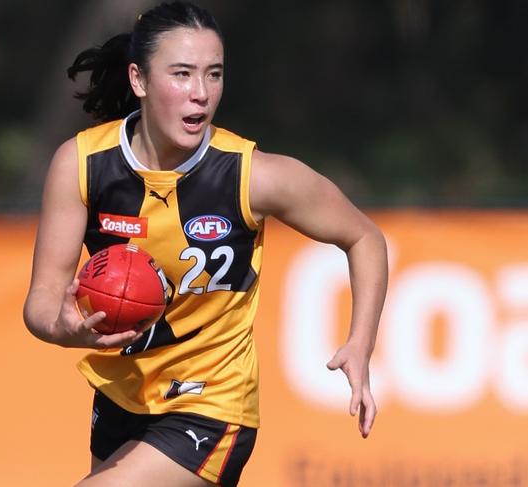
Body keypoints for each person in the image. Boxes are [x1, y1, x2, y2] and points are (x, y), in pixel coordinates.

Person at [23, 2, 388, 486]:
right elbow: (42, 300)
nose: (200, 94)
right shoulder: (84, 163)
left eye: (213, 75)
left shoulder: (252, 175)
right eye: (181, 74)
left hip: (211, 404)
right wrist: (63, 327)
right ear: (139, 79)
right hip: (122, 395)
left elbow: (364, 237)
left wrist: (361, 345)